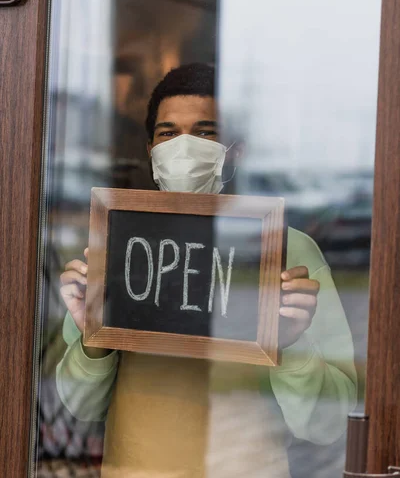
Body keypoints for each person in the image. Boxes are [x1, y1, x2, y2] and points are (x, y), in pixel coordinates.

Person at [57, 63, 356, 478]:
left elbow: (328, 424)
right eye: (167, 133)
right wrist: (91, 336)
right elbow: (79, 407)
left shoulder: (285, 250)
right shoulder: (118, 244)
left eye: (205, 132)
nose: (184, 147)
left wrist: (288, 346)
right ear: (150, 150)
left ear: (236, 150)